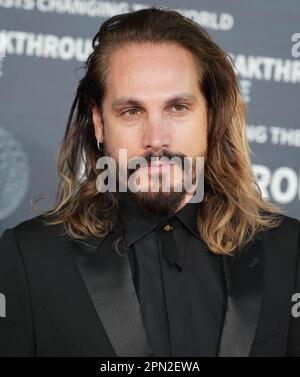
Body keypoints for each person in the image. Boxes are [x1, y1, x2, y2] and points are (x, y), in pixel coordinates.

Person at [0, 6, 299, 357]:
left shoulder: (290, 254)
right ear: (99, 124)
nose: (156, 138)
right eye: (131, 111)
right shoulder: (31, 257)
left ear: (210, 116)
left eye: (177, 108)